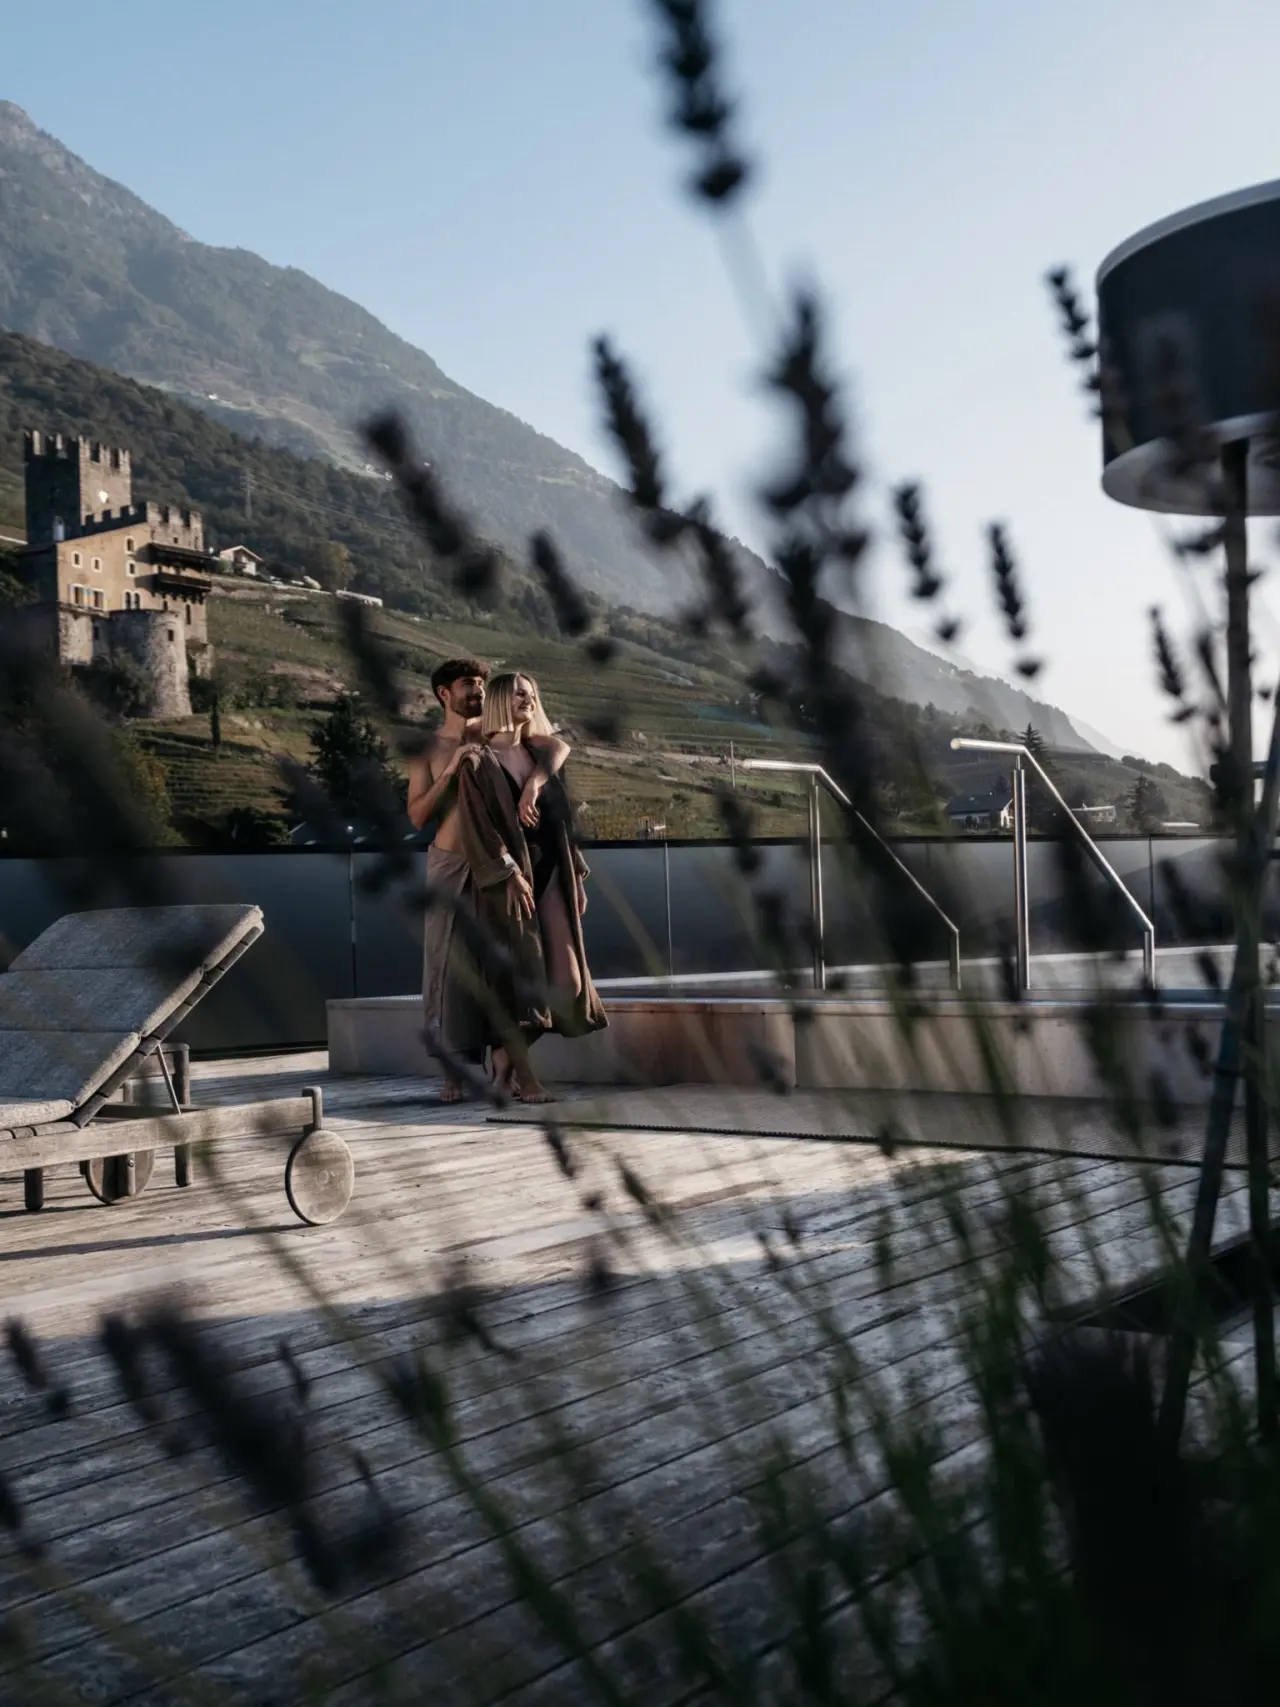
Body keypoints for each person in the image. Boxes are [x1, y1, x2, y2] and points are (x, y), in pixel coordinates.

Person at [454, 671, 607, 1102]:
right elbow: (476, 826)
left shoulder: (538, 756)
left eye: (533, 694)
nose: (529, 699)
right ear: (501, 699)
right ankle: (526, 1077)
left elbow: (562, 820)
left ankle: (503, 1056)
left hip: (553, 874)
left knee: (569, 984)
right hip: (510, 881)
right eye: (520, 693)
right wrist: (508, 871)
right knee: (519, 982)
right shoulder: (477, 762)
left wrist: (574, 873)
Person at [406, 658, 504, 1103]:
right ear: (444, 693)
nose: (478, 691)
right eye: (469, 684)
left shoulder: (497, 737)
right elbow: (418, 816)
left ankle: (509, 1069)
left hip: (497, 866)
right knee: (446, 969)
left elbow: (548, 745)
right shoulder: (426, 748)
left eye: (482, 684)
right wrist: (452, 768)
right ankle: (452, 1074)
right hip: (448, 865)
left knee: (501, 964)